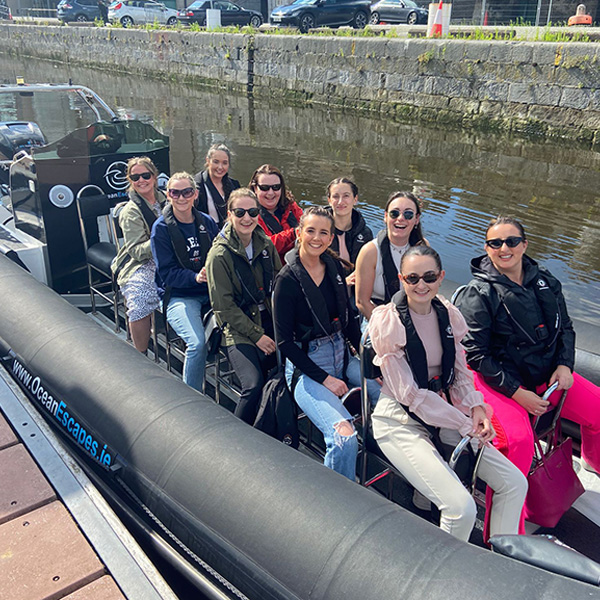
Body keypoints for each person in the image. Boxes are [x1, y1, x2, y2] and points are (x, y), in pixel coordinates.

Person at [369, 245, 527, 542]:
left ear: (440, 277)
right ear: (401, 280)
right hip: (401, 422)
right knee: (461, 508)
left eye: (428, 277)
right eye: (412, 278)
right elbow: (411, 396)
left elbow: (461, 372)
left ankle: (503, 562)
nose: (421, 285)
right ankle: (450, 579)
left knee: (515, 483)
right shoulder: (387, 322)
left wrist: (476, 409)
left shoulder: (447, 313)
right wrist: (463, 423)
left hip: (445, 414)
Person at [455, 216, 600, 486]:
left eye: (511, 241)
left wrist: (564, 364)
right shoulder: (478, 294)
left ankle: (593, 461)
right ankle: (504, 522)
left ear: (524, 244)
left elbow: (565, 327)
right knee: (519, 444)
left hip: (545, 373)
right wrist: (518, 393)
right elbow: (476, 356)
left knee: (598, 408)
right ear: (487, 248)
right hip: (499, 381)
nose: (504, 248)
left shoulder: (546, 282)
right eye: (495, 243)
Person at [273, 206, 380, 480]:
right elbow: (285, 343)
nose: (316, 238)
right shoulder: (286, 280)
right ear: (299, 233)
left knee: (390, 393)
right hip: (306, 367)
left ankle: (383, 450)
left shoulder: (332, 267)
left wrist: (372, 367)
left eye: (323, 233)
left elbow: (349, 322)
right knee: (344, 438)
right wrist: (324, 379)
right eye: (310, 231)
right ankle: (339, 496)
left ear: (331, 238)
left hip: (341, 356)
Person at [206, 188, 282, 424]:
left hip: (267, 319)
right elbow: (224, 308)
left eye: (252, 212)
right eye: (240, 212)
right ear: (229, 214)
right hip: (237, 328)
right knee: (253, 384)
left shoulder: (266, 245)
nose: (247, 218)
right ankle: (239, 434)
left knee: (288, 371)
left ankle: (274, 423)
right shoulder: (219, 256)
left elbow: (279, 283)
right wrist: (257, 336)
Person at [151, 172, 219, 392]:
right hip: (179, 296)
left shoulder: (207, 222)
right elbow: (167, 273)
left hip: (210, 292)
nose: (181, 198)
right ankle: (192, 396)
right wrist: (195, 277)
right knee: (197, 344)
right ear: (168, 196)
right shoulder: (161, 229)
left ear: (195, 195)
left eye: (187, 192)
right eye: (175, 193)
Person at [111, 156, 165, 354]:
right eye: (135, 177)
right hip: (141, 262)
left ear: (154, 176)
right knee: (140, 297)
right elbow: (136, 251)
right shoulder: (130, 211)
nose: (141, 180)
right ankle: (140, 353)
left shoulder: (166, 199)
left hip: (170, 256)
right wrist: (163, 240)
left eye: (145, 175)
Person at [355, 191, 426, 321]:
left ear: (416, 219)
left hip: (413, 312)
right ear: (386, 216)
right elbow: (362, 302)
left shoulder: (423, 247)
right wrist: (388, 328)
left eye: (408, 214)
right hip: (377, 314)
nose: (400, 218)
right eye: (394, 213)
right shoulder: (369, 252)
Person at [249, 164, 303, 263]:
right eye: (264, 188)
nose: (270, 193)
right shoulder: (248, 214)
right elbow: (265, 246)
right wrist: (295, 233)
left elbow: (307, 224)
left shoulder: (291, 206)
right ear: (255, 189)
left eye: (276, 187)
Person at [325, 177, 373, 287]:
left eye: (346, 196)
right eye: (335, 196)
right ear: (329, 200)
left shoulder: (365, 234)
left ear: (355, 199)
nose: (341, 202)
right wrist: (342, 283)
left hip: (356, 291)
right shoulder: (318, 230)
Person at [194, 143, 240, 227]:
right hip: (207, 232)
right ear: (208, 161)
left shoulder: (234, 185)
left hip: (230, 232)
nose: (220, 167)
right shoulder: (197, 185)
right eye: (216, 162)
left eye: (224, 163)